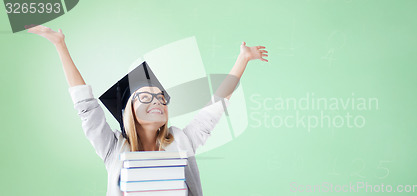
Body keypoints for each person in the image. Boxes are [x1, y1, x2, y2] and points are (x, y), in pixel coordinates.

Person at [27, 24, 268, 196]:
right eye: (145, 97)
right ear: (128, 111)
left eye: (160, 97)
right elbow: (86, 107)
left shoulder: (181, 141)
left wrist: (242, 60)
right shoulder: (113, 148)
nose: (157, 101)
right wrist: (60, 45)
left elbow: (214, 108)